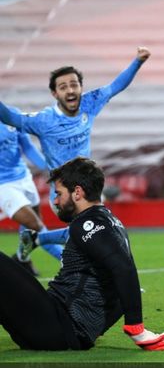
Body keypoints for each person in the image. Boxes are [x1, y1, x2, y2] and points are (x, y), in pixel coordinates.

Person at [0, 157, 164, 351]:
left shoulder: (88, 225)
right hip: (59, 330)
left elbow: (123, 268)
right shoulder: (106, 221)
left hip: (57, 325)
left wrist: (136, 327)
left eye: (58, 194)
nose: (55, 201)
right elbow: (115, 279)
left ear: (77, 192)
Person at [0, 47, 151, 262]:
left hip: (89, 184)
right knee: (98, 232)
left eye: (74, 84)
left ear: (81, 87)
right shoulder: (44, 120)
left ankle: (38, 242)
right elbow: (11, 118)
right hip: (64, 191)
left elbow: (116, 86)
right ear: (55, 93)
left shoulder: (90, 103)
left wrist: (138, 61)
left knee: (95, 234)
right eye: (63, 87)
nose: (70, 90)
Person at [0, 112, 49, 275]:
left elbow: (27, 146)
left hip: (24, 177)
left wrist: (47, 167)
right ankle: (68, 260)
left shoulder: (9, 115)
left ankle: (22, 259)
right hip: (3, 185)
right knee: (36, 225)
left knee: (35, 225)